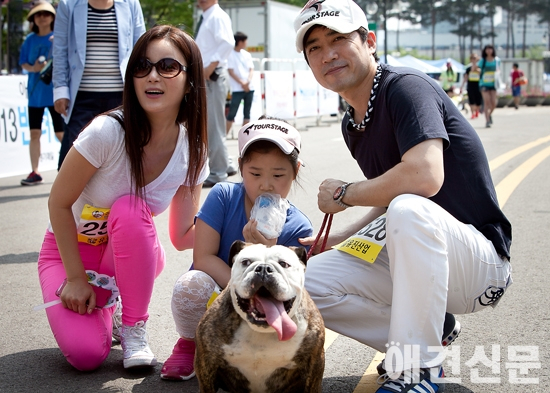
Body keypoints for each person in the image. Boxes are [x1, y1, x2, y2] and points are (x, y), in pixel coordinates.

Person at [293, 1, 512, 392]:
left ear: (370, 41)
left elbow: (423, 176)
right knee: (304, 285)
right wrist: (342, 238)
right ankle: (431, 335)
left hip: (478, 265)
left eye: (339, 38)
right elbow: (390, 192)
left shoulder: (406, 87)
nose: (328, 54)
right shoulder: (352, 122)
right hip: (416, 252)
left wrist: (344, 193)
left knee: (411, 209)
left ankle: (417, 372)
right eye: (314, 48)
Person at [37, 25, 209, 371]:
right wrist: (74, 278)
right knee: (86, 357)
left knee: (130, 209)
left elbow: (181, 237)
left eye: (167, 66)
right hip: (68, 254)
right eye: (142, 67)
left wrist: (239, 224)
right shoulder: (107, 132)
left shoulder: (193, 152)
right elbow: (58, 202)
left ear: (190, 81)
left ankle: (133, 328)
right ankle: (108, 310)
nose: (152, 76)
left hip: (127, 256)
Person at [160, 117, 313, 381]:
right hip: (219, 291)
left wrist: (269, 254)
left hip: (263, 305)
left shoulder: (299, 227)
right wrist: (244, 279)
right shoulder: (223, 197)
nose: (266, 184)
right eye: (255, 174)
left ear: (295, 171)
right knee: (190, 285)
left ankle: (246, 357)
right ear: (241, 167)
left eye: (278, 175)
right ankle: (188, 343)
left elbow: (292, 290)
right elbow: (203, 257)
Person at [53, 0, 145, 170]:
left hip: (121, 96)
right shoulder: (68, 5)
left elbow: (141, 48)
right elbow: (60, 49)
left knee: (123, 155)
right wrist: (60, 90)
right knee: (77, 155)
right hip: (82, 96)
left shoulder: (131, 4)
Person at [19, 1, 65, 186]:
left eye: (46, 14)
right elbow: (23, 62)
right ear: (33, 19)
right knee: (34, 133)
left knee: (62, 133)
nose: (42, 17)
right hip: (35, 94)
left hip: (55, 94)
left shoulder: (58, 37)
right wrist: (33, 67)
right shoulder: (29, 39)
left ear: (53, 17)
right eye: (38, 15)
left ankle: (72, 168)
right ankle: (35, 171)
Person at [194, 0, 236, 187]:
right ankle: (224, 165)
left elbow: (227, 43)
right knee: (212, 124)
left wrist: (210, 67)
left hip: (212, 76)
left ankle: (218, 172)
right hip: (210, 76)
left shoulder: (216, 16)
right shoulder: (209, 16)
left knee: (213, 126)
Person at [226, 31, 255, 135]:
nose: (246, 43)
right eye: (245, 41)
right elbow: (231, 71)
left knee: (247, 113)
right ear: (240, 42)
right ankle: (224, 136)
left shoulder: (247, 54)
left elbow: (251, 69)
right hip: (237, 88)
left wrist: (247, 82)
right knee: (232, 112)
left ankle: (245, 136)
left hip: (249, 87)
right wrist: (242, 83)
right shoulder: (230, 54)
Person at [478, 45, 501, 128]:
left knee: (493, 103)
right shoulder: (482, 61)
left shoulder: (497, 60)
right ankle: (487, 120)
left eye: (490, 49)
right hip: (484, 83)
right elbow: (477, 69)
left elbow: (498, 70)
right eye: (487, 49)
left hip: (493, 84)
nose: (489, 51)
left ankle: (490, 114)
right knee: (486, 102)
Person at [460, 53, 483, 119]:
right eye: (472, 58)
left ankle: (477, 111)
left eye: (475, 58)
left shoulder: (479, 67)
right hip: (470, 86)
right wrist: (462, 86)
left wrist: (476, 68)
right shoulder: (468, 69)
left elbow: (480, 73)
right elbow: (465, 78)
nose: (473, 60)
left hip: (478, 86)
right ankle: (472, 113)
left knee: (478, 101)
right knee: (471, 100)